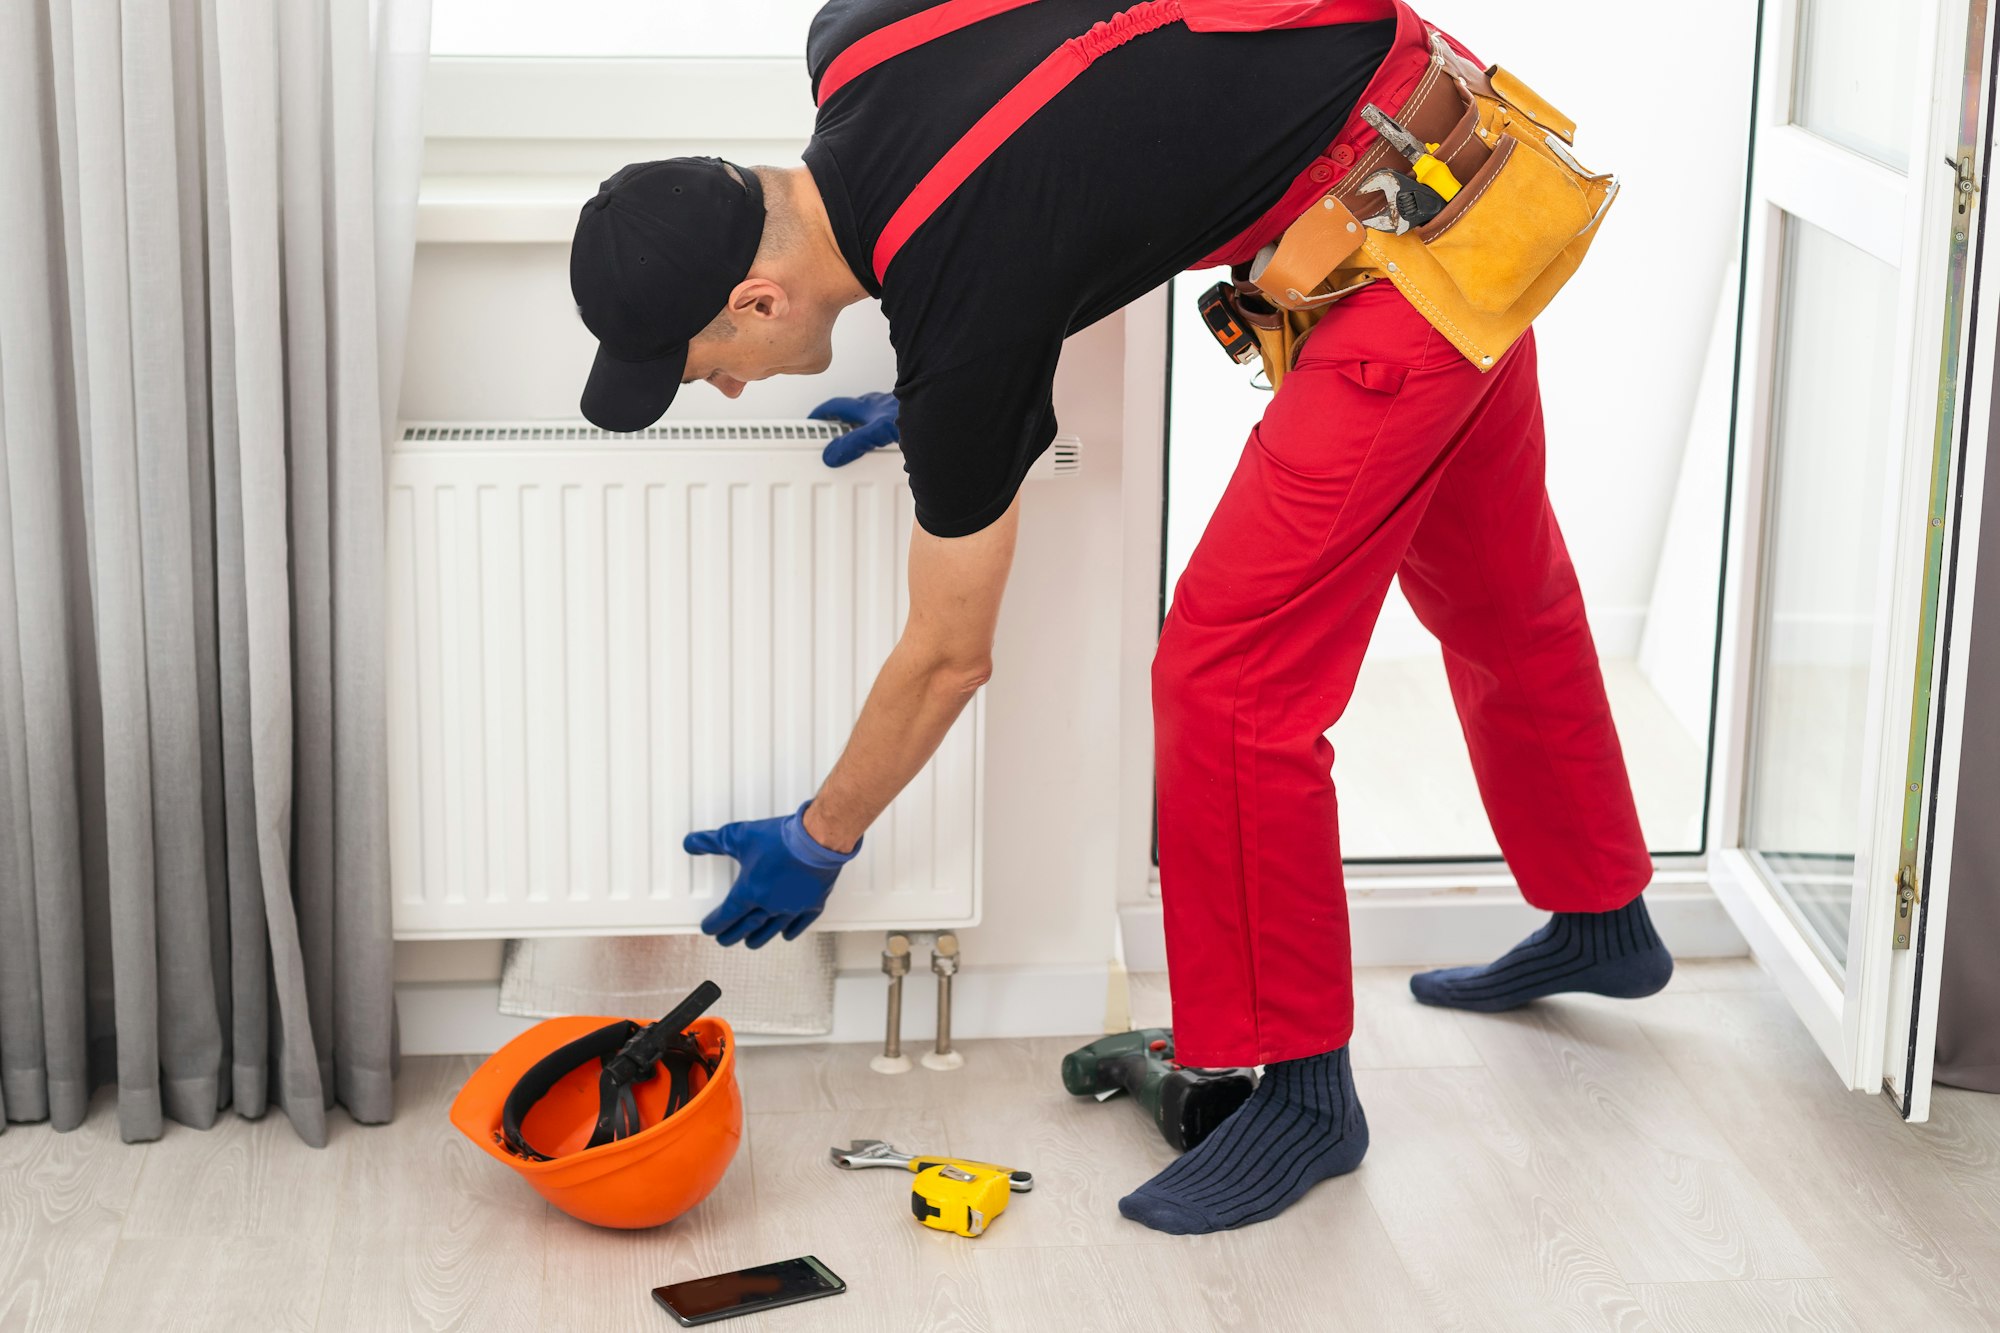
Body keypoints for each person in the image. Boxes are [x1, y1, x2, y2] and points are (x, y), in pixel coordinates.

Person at [567, 0, 1672, 1236]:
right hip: (1461, 164)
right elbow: (1068, 155)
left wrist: (821, 837)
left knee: (1227, 681)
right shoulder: (855, 43)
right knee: (1492, 583)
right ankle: (1600, 918)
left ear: (761, 300)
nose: (720, 385)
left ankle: (1296, 1091)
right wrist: (945, 402)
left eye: (702, 361)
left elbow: (946, 657)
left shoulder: (960, 309)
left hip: (1400, 256)